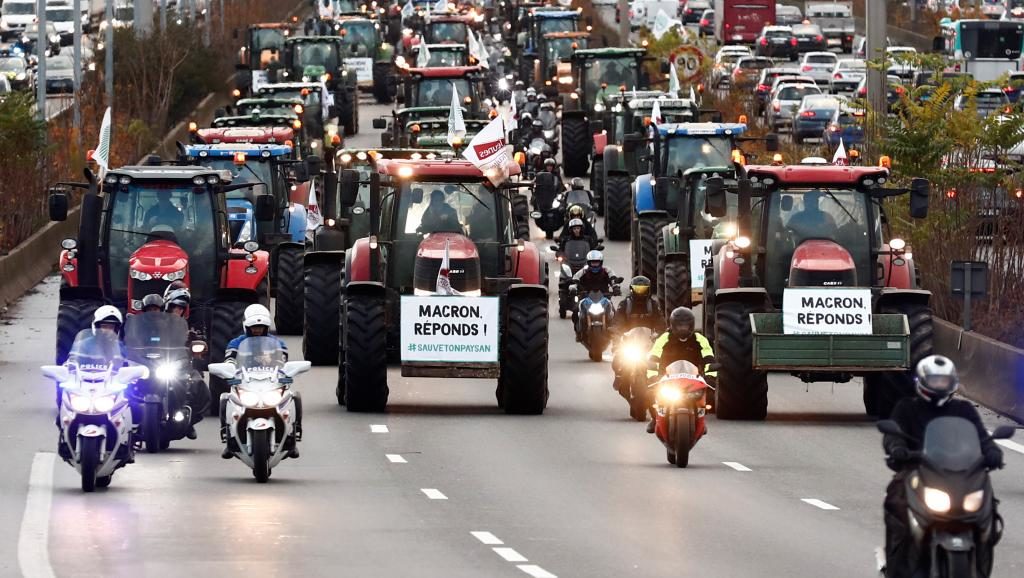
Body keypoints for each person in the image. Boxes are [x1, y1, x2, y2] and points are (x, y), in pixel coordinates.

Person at [882, 355, 1004, 578]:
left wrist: (992, 452)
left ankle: (982, 564)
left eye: (944, 381)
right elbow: (893, 434)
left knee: (989, 506)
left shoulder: (964, 410)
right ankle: (896, 569)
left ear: (952, 382)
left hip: (961, 473)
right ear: (922, 381)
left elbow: (982, 437)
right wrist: (897, 448)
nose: (939, 385)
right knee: (896, 502)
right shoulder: (907, 408)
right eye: (935, 380)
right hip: (917, 471)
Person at [222, 304, 300, 458]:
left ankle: (293, 438)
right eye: (254, 327)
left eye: (261, 327)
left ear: (266, 327)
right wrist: (229, 369)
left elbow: (283, 363)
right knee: (225, 399)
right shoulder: (236, 343)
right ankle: (228, 439)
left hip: (270, 381)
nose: (257, 330)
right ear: (246, 326)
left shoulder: (278, 343)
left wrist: (285, 370)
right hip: (245, 381)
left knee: (295, 397)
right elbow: (229, 361)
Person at [645, 307, 716, 433]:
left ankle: (700, 420)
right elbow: (653, 358)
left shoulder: (700, 339)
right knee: (650, 393)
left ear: (692, 325)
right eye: (679, 326)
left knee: (708, 395)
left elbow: (709, 358)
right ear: (672, 325)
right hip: (667, 378)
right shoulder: (663, 339)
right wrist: (652, 377)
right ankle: (655, 418)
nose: (683, 329)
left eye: (686, 326)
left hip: (693, 378)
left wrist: (711, 377)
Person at [161, 284, 210, 429]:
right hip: (156, 362)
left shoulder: (191, 324)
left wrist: (195, 342)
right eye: (175, 307)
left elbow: (201, 345)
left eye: (181, 308)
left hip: (180, 364)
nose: (178, 310)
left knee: (199, 386)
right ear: (168, 306)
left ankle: (189, 422)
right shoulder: (157, 322)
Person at [570, 250, 618, 338]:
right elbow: (575, 280)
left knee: (614, 312)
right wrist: (573, 288)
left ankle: (613, 331)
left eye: (597, 263)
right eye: (593, 263)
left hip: (604, 297)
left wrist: (616, 288)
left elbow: (613, 280)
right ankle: (578, 331)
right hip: (586, 297)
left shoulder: (607, 271)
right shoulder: (583, 271)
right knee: (576, 309)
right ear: (589, 263)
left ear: (601, 262)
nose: (595, 265)